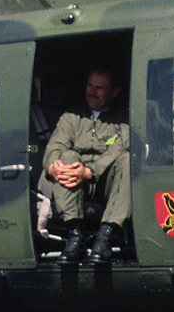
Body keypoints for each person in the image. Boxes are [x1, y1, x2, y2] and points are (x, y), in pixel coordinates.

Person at [44, 66, 130, 265]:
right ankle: (76, 236)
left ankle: (105, 237)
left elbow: (122, 146)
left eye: (99, 88)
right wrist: (52, 166)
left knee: (127, 159)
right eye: (90, 85)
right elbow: (55, 145)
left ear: (114, 91)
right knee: (66, 156)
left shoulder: (123, 118)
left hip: (106, 184)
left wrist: (91, 172)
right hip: (75, 184)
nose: (92, 91)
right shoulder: (72, 116)